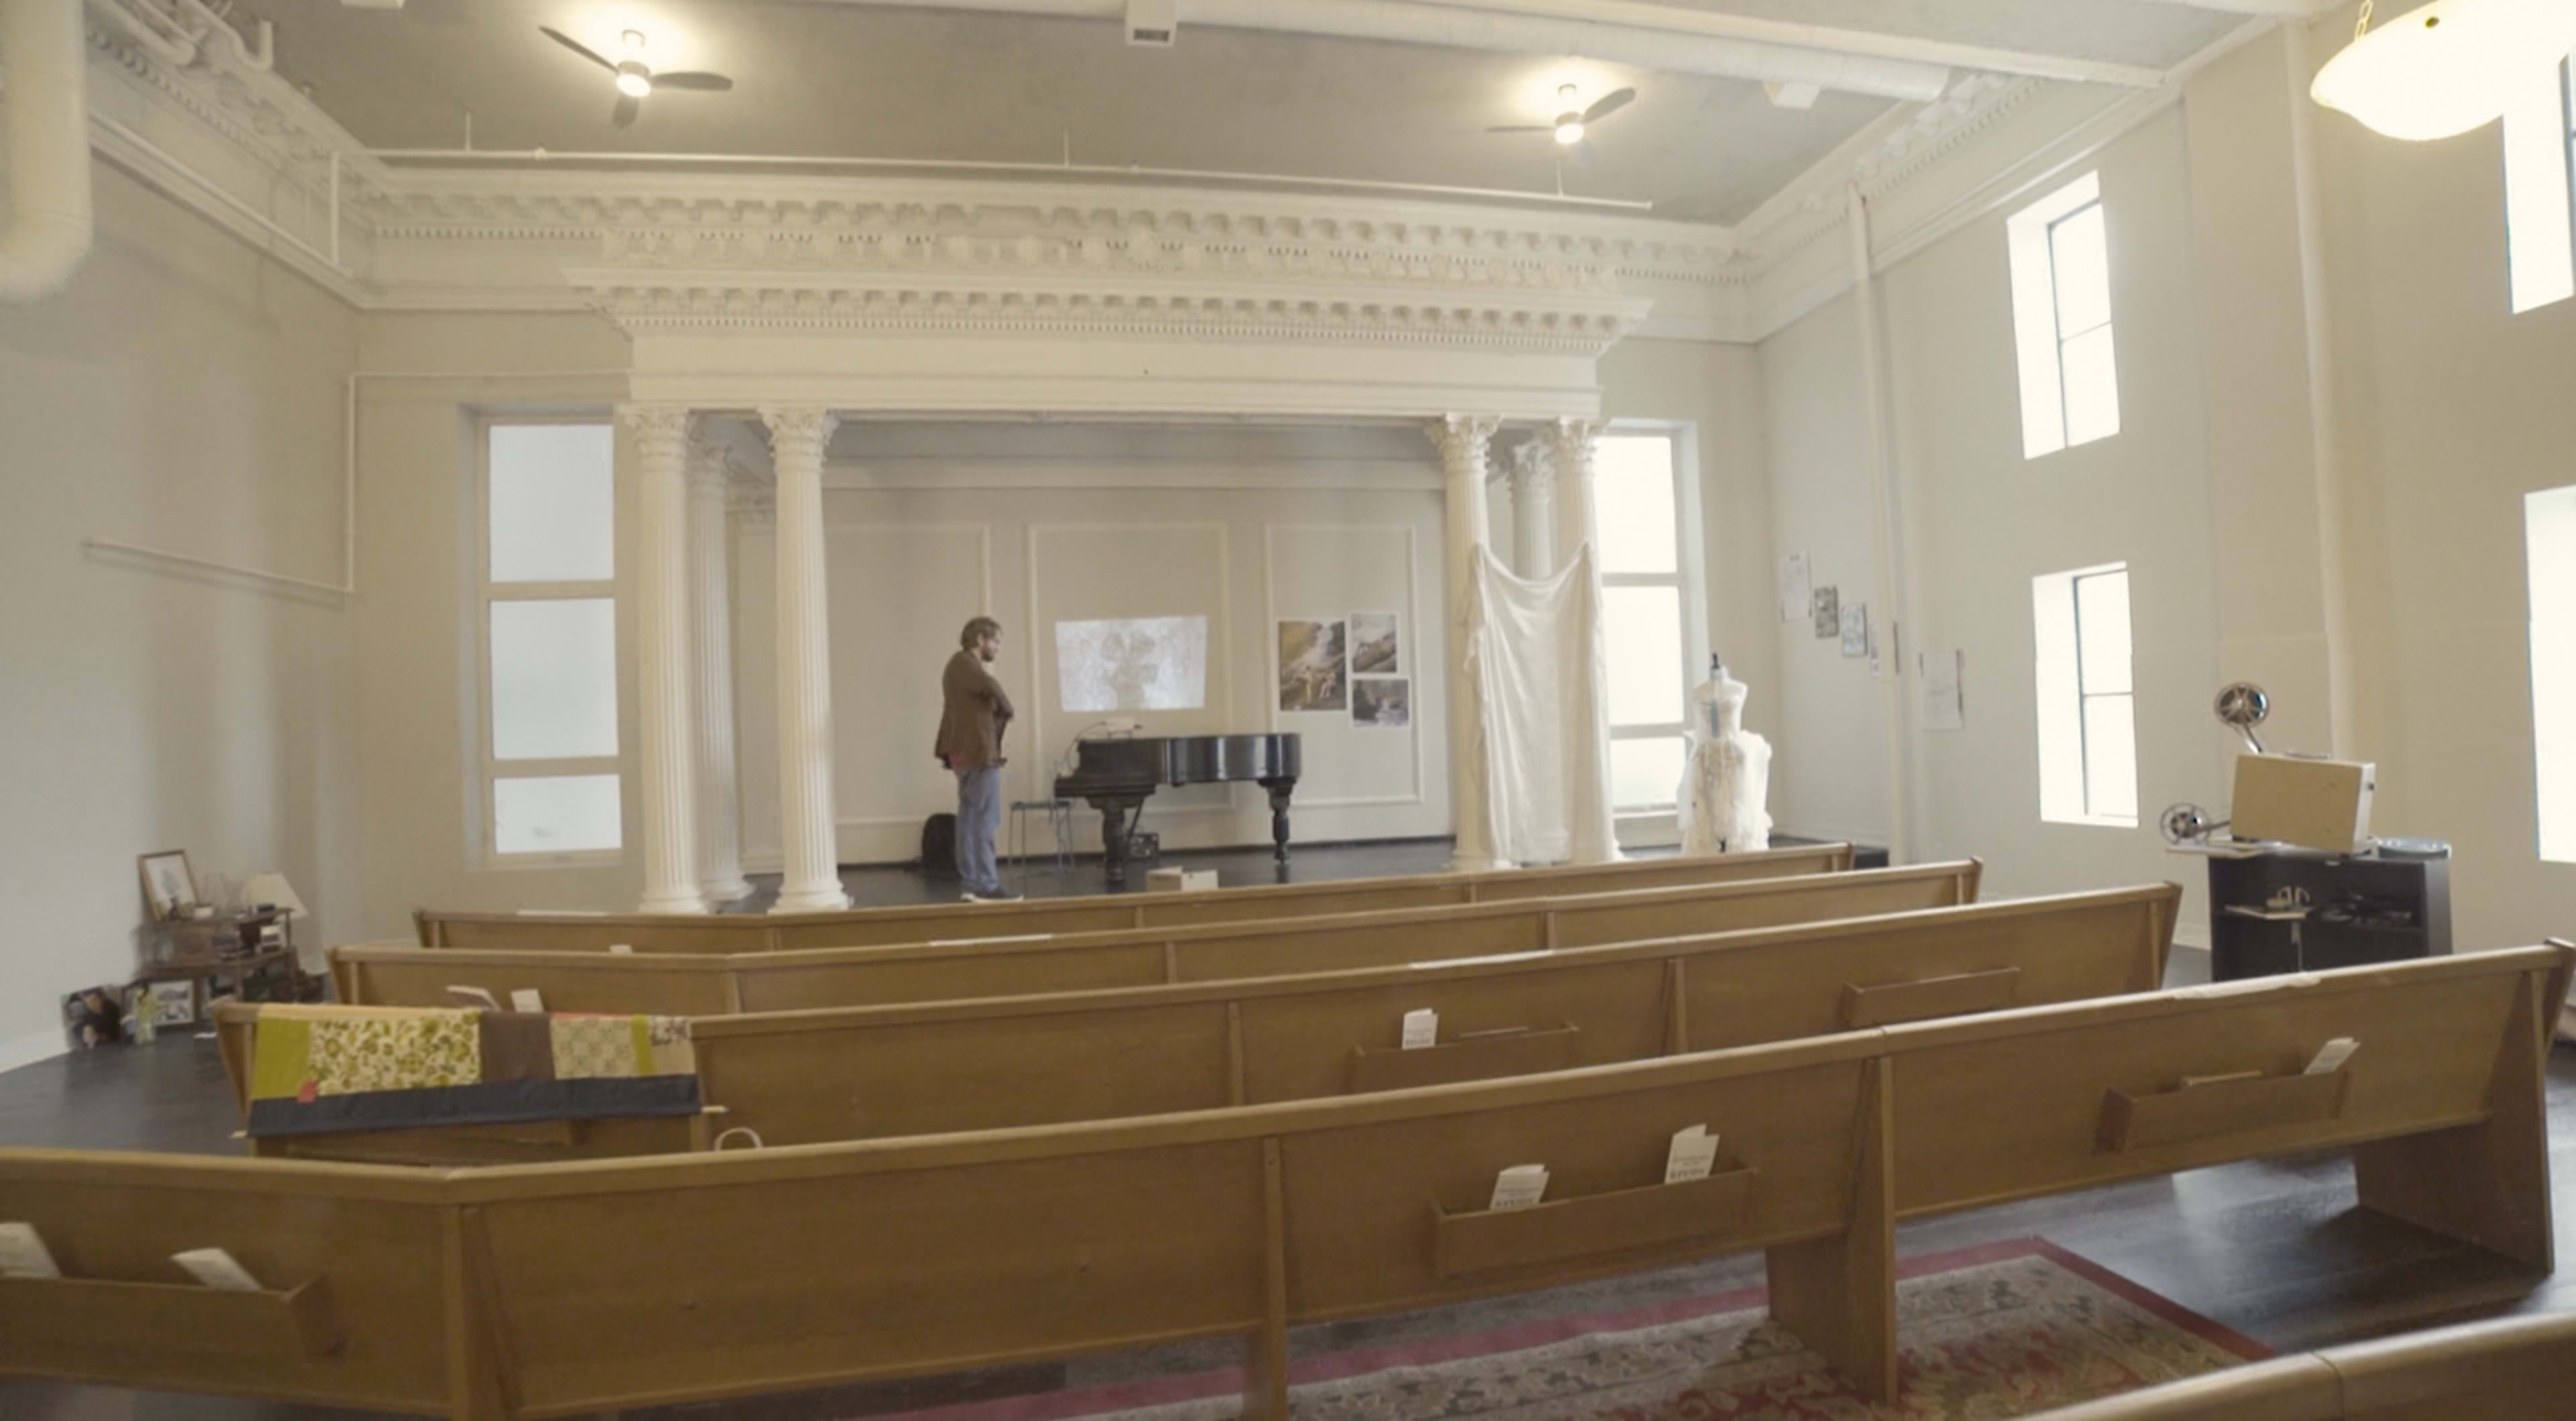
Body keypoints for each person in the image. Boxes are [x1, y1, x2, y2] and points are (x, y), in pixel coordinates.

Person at [934, 616, 1020, 902]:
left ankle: (973, 883)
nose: (997, 648)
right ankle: (984, 884)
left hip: (967, 752)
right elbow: (991, 686)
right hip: (977, 753)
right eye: (995, 641)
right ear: (981, 640)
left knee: (971, 817)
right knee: (984, 819)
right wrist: (1007, 709)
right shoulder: (964, 664)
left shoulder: (959, 668)